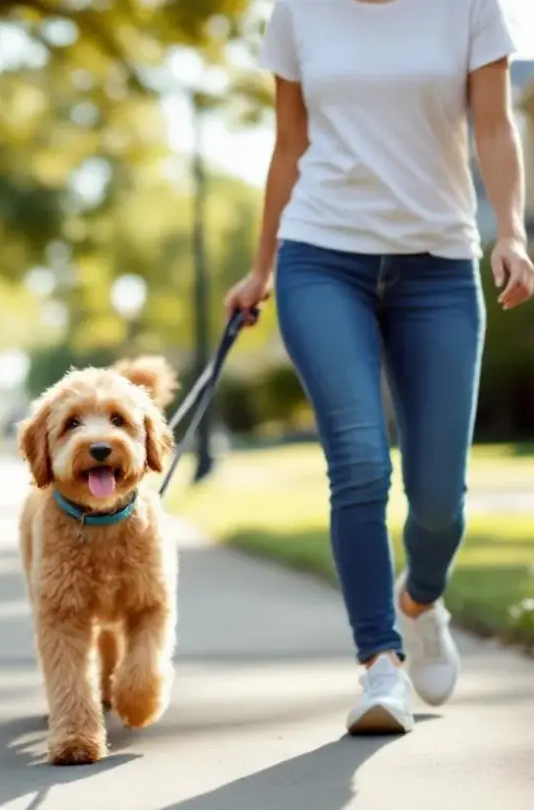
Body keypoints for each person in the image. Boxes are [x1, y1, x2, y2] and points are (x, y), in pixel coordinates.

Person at [224, 0, 534, 735]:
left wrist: (513, 232)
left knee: (438, 501)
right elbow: (289, 144)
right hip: (322, 258)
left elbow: (493, 125)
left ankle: (420, 601)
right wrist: (261, 267)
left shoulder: (469, 8)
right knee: (360, 463)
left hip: (439, 267)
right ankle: (379, 666)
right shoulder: (297, 12)